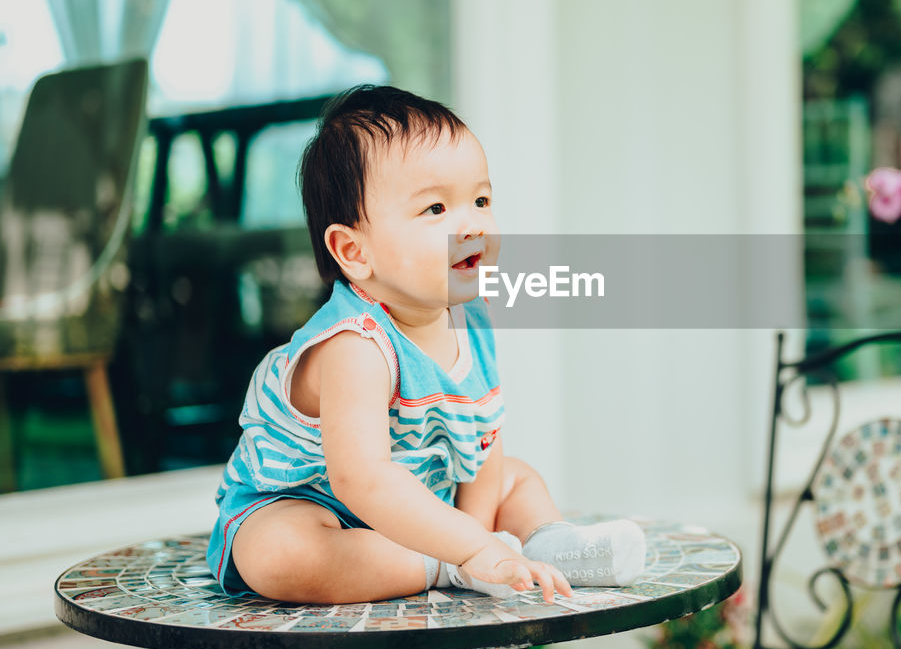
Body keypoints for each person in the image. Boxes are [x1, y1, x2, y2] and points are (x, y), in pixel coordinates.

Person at [205, 85, 644, 604]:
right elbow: (362, 481)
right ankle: (444, 567)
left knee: (515, 477)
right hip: (320, 506)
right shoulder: (356, 346)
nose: (472, 223)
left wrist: (478, 533)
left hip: (426, 495)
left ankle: (548, 543)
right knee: (280, 553)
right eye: (435, 208)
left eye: (481, 200)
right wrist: (469, 550)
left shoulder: (471, 319)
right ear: (354, 250)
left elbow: (482, 442)